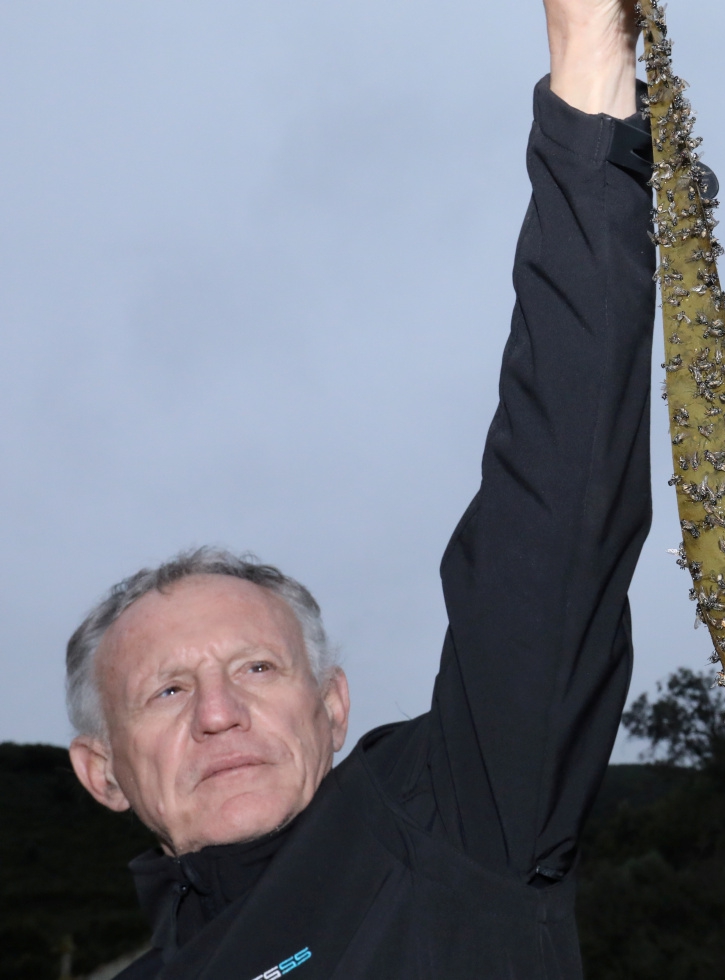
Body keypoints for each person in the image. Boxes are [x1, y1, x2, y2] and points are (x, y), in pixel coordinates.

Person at [67, 0, 656, 975]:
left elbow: (551, 520)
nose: (218, 711)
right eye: (167, 688)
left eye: (257, 668)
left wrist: (586, 51)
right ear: (102, 770)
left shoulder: (444, 823)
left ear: (332, 707)